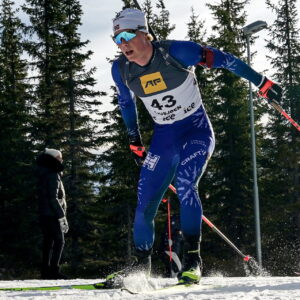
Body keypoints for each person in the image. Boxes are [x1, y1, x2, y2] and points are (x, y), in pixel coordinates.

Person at [110, 8, 282, 285]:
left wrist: (261, 82)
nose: (123, 43)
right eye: (117, 38)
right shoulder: (121, 69)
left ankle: (192, 260)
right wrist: (134, 141)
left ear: (145, 34)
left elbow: (225, 60)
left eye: (128, 34)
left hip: (196, 132)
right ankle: (139, 268)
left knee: (187, 184)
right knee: (145, 202)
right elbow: (126, 103)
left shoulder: (176, 52)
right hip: (164, 139)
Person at [36, 148, 69, 279]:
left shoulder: (43, 172)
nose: (62, 160)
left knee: (48, 242)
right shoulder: (53, 174)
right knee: (59, 241)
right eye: (60, 158)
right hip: (53, 214)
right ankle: (54, 271)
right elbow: (54, 198)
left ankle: (45, 271)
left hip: (43, 213)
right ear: (54, 159)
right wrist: (61, 217)